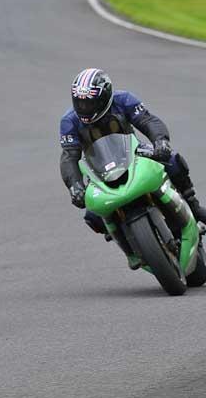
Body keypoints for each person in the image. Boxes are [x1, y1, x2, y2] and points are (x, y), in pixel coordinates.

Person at [60, 68, 206, 269]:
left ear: (104, 97)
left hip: (134, 155)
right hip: (101, 170)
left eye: (90, 102)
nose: (84, 107)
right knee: (92, 216)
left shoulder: (124, 100)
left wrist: (160, 142)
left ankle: (194, 206)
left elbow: (148, 121)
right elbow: (69, 156)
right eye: (80, 102)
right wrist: (74, 185)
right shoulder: (69, 121)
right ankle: (130, 246)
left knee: (172, 160)